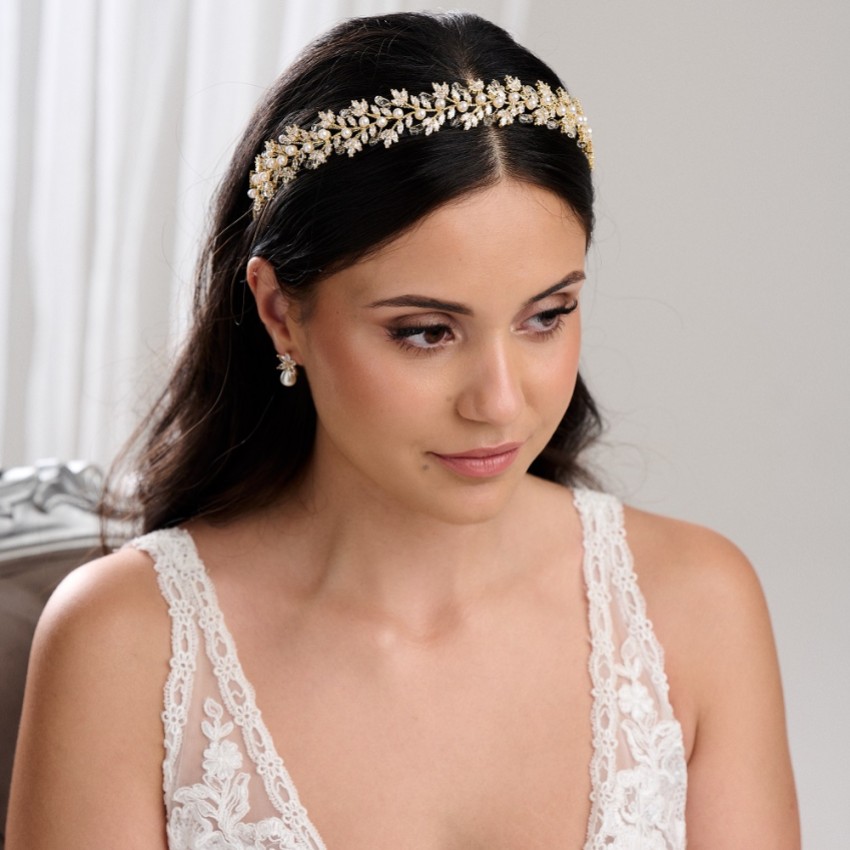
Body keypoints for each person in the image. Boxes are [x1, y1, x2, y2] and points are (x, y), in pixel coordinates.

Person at [6, 10, 799, 849]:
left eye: (545, 316)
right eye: (426, 332)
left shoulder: (696, 606)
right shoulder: (124, 643)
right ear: (280, 312)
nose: (500, 402)